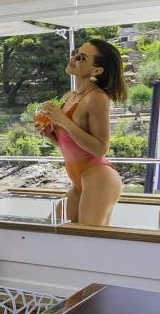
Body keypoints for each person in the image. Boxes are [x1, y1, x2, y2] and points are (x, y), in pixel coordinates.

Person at [35, 39, 128, 227]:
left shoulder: (97, 98)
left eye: (81, 58)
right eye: (75, 54)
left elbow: (101, 149)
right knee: (52, 230)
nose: (73, 58)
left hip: (98, 176)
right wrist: (51, 136)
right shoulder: (69, 97)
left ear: (97, 70)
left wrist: (62, 121)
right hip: (79, 179)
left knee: (90, 242)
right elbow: (74, 144)